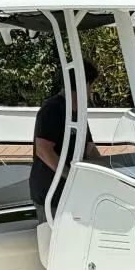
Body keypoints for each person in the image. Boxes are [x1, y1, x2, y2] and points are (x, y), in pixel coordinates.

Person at [30, 60, 100, 222]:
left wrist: (110, 173)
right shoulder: (52, 109)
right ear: (86, 84)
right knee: (53, 243)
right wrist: (70, 176)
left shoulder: (79, 112)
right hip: (51, 193)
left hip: (72, 192)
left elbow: (89, 149)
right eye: (91, 86)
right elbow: (43, 150)